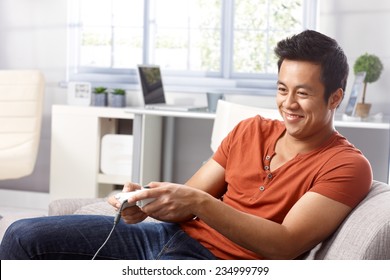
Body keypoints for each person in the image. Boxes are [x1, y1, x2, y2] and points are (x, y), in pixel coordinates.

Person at [0, 30, 372, 260]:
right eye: (281, 89)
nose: (288, 104)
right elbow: (190, 197)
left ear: (335, 97)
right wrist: (147, 203)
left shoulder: (346, 166)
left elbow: (284, 244)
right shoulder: (250, 130)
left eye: (303, 93)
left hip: (219, 264)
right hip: (165, 236)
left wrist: (197, 203)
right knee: (22, 235)